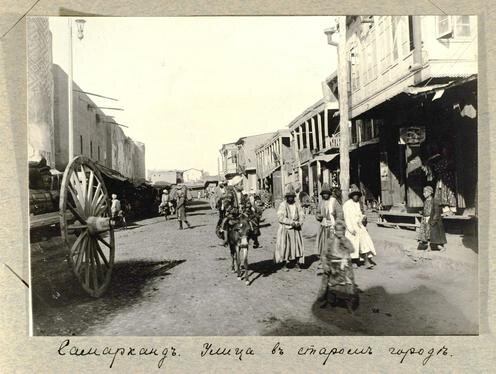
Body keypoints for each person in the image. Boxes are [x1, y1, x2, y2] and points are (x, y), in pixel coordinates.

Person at [317, 220, 358, 311]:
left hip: (344, 265)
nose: (339, 232)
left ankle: (349, 304)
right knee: (330, 284)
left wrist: (345, 242)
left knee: (348, 284)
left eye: (341, 230)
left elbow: (352, 250)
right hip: (332, 265)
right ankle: (329, 301)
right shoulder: (330, 240)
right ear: (335, 230)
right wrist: (325, 265)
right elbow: (324, 254)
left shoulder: (346, 240)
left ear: (344, 231)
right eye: (337, 230)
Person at [343, 184, 376, 268]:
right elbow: (347, 218)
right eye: (355, 195)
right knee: (353, 245)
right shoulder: (347, 205)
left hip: (359, 226)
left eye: (357, 195)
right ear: (351, 196)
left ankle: (366, 261)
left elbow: (359, 214)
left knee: (364, 242)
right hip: (351, 227)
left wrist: (363, 218)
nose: (356, 197)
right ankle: (353, 261)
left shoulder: (358, 204)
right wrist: (350, 229)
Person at [274, 183, 305, 271]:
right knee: (285, 246)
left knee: (296, 246)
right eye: (289, 196)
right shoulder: (283, 205)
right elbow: (280, 217)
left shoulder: (297, 204)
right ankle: (284, 263)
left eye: (292, 196)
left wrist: (300, 222)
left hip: (296, 229)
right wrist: (291, 222)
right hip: (285, 229)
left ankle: (296, 263)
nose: (290, 198)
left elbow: (302, 214)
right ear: (286, 197)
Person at [220, 175, 250, 245]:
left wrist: (246, 210)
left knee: (251, 222)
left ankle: (253, 238)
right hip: (233, 214)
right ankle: (225, 239)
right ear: (236, 185)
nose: (242, 185)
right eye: (241, 184)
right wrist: (234, 210)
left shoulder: (243, 193)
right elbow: (226, 204)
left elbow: (248, 202)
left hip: (243, 214)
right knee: (225, 222)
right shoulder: (230, 193)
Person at [315, 184, 343, 257]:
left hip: (331, 226)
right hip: (323, 226)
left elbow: (340, 212)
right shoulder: (321, 202)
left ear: (329, 194)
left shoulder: (334, 201)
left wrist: (335, 216)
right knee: (323, 243)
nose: (325, 195)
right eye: (324, 194)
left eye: (326, 193)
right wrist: (318, 216)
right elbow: (317, 212)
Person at [417, 185, 447, 251]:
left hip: (432, 220)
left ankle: (440, 247)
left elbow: (436, 212)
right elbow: (426, 209)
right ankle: (429, 247)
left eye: (425, 192)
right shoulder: (425, 201)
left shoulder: (434, 201)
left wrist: (433, 221)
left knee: (433, 235)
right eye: (423, 192)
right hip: (425, 219)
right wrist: (422, 212)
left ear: (430, 192)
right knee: (427, 235)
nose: (423, 193)